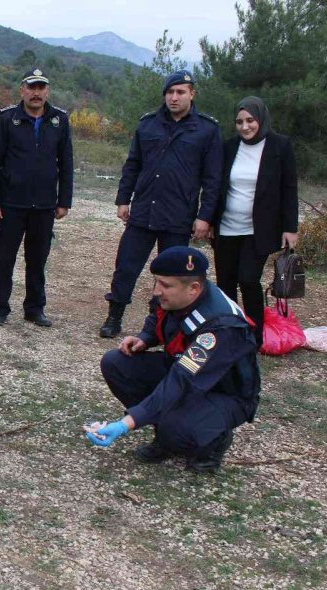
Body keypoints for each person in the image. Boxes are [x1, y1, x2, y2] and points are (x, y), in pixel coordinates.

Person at [88, 246, 260, 473]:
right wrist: (146, 338)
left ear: (194, 288)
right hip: (184, 371)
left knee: (175, 426)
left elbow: (182, 380)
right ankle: (165, 435)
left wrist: (126, 424)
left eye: (165, 285)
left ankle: (213, 441)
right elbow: (158, 315)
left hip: (224, 393)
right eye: (157, 282)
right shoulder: (176, 295)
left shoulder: (219, 326)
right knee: (116, 363)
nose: (157, 291)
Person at [99, 70, 223, 338]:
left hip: (179, 214)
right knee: (126, 266)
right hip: (144, 209)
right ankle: (114, 316)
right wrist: (123, 198)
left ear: (192, 94)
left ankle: (157, 324)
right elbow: (133, 165)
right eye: (170, 92)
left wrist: (205, 216)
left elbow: (212, 179)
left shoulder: (206, 129)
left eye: (180, 92)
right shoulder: (148, 124)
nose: (174, 97)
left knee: (172, 273)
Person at [0, 67, 74, 327]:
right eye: (31, 87)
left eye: (41, 88)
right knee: (5, 258)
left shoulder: (59, 120)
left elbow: (65, 163)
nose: (36, 93)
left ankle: (35, 309)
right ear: (22, 90)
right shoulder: (7, 119)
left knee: (37, 260)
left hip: (44, 204)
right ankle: (0, 308)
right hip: (12, 203)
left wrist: (64, 201)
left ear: (47, 91)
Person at [212, 96, 299, 349]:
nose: (245, 126)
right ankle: (228, 332)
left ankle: (254, 335)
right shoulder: (228, 147)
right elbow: (217, 185)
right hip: (226, 227)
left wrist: (290, 227)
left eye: (250, 120)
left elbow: (289, 188)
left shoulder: (280, 146)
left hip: (258, 229)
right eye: (239, 121)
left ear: (261, 119)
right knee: (225, 282)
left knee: (248, 279)